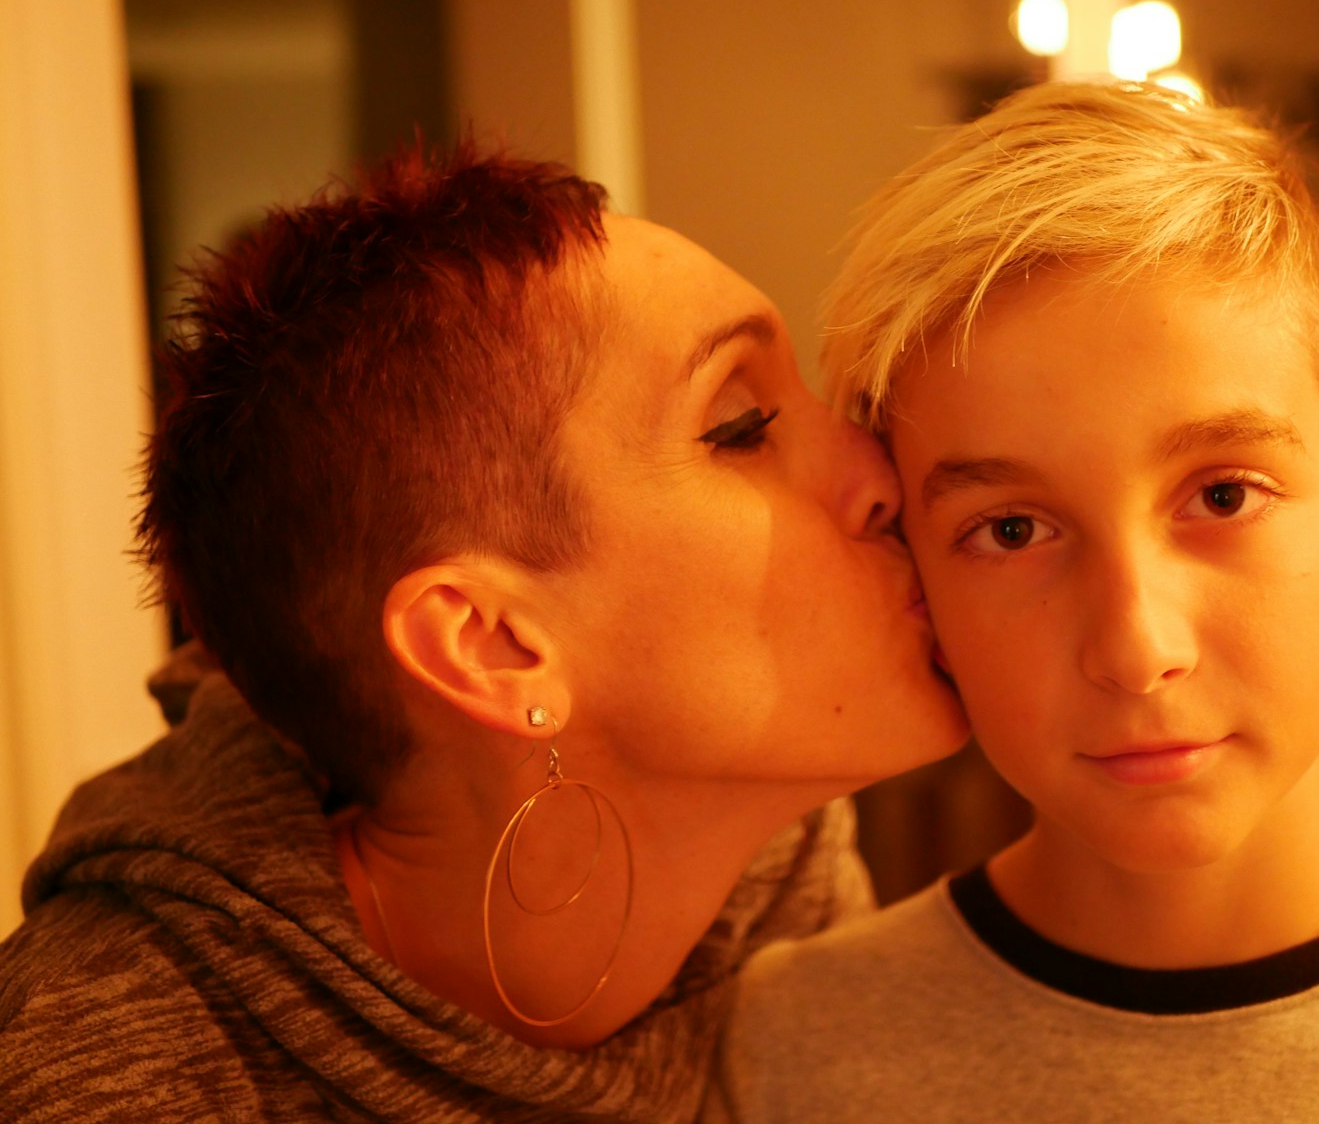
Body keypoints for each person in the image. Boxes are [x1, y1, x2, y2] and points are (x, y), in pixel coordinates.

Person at [0, 143, 967, 1121]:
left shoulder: (776, 886)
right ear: (492, 644)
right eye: (741, 423)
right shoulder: (104, 1063)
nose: (881, 469)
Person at [709, 80, 1319, 1122]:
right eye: (1010, 530)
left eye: (1221, 496)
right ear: (916, 582)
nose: (1136, 648)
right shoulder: (790, 1054)